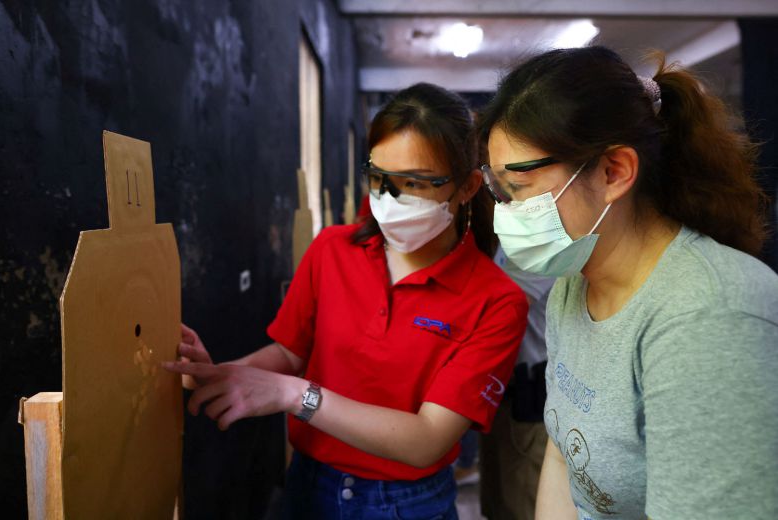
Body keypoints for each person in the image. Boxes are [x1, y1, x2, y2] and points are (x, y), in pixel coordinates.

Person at [163, 83, 528, 519]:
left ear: (467, 187)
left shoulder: (496, 301)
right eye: (378, 178)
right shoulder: (332, 250)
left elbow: (427, 439)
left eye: (414, 183)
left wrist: (296, 396)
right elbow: (288, 354)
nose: (390, 200)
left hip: (405, 504)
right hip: (308, 486)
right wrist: (222, 375)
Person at [477, 46, 778, 519]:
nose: (507, 213)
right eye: (499, 191)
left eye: (519, 189)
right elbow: (563, 456)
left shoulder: (709, 315)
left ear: (615, 171)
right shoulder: (573, 283)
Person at [479, 250, 554, 520]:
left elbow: (497, 310)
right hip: (500, 396)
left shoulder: (540, 248)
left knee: (523, 505)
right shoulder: (507, 238)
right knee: (498, 504)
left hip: (531, 400)